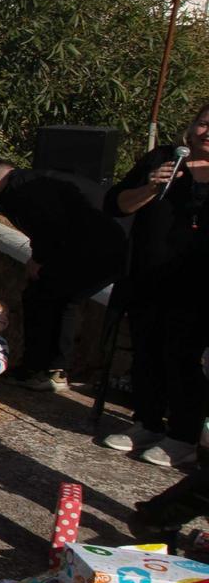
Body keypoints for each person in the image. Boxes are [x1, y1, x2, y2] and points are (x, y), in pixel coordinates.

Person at [101, 107, 209, 468]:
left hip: (197, 286)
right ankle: (145, 423)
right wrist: (150, 186)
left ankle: (181, 436)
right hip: (147, 276)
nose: (207, 131)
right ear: (191, 128)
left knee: (183, 358)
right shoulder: (164, 159)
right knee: (145, 349)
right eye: (204, 122)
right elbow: (115, 205)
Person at [0, 158, 127, 392]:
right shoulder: (42, 177)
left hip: (93, 248)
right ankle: (54, 369)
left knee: (41, 297)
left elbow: (47, 225)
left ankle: (38, 368)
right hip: (116, 247)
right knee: (64, 299)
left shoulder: (20, 189)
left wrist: (39, 259)